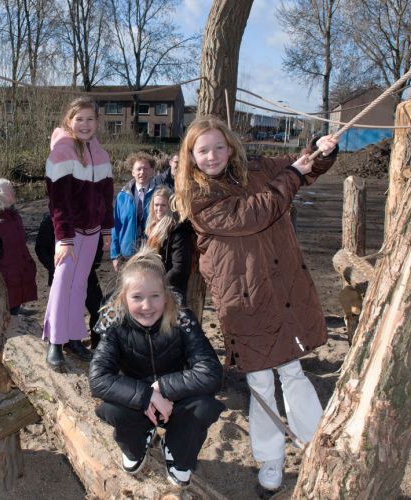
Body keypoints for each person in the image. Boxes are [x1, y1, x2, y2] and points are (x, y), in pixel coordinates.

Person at [175, 115, 338, 492]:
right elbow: (254, 214)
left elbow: (303, 168)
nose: (212, 156)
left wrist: (320, 152)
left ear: (230, 146)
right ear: (191, 156)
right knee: (260, 381)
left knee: (292, 370)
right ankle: (271, 460)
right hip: (242, 298)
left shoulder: (258, 168)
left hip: (278, 285)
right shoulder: (198, 197)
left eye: (219, 147)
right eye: (203, 150)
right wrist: (294, 175)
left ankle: (313, 443)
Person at [89, 249, 224, 488]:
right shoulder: (116, 325)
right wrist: (147, 395)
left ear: (166, 296)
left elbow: (211, 371)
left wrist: (163, 387)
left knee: (203, 405)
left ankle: (176, 449)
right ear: (124, 299)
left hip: (177, 401)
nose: (147, 305)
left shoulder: (182, 319)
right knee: (112, 409)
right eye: (137, 297)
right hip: (137, 402)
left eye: (154, 296)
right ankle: (138, 439)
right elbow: (98, 379)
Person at [43, 96, 114, 368]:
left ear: (97, 122)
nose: (85, 124)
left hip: (93, 230)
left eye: (90, 119)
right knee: (62, 282)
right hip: (70, 232)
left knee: (80, 285)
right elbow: (57, 202)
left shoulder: (102, 155)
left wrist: (107, 229)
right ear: (69, 121)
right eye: (79, 119)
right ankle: (55, 341)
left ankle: (73, 337)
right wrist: (63, 238)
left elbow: (107, 197)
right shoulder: (62, 152)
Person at [36, 213, 104, 348]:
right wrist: (56, 269)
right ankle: (64, 344)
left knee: (98, 309)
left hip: (88, 274)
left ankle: (97, 345)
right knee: (64, 310)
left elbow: (98, 241)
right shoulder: (50, 219)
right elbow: (40, 248)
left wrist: (94, 262)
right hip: (62, 273)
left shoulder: (89, 215)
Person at [0, 178, 37, 315]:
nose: (14, 190)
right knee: (7, 317)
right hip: (4, 283)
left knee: (14, 314)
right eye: (10, 189)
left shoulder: (14, 218)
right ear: (0, 194)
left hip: (19, 278)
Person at [143, 186, 192, 299]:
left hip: (170, 290)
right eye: (156, 205)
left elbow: (179, 268)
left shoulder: (178, 230)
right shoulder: (151, 228)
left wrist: (159, 284)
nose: (159, 208)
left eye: (163, 205)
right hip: (153, 287)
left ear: (170, 207)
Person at [111, 152, 155, 272]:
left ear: (151, 171)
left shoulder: (159, 194)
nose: (142, 172)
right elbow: (115, 227)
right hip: (127, 254)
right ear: (133, 172)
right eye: (138, 169)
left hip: (151, 253)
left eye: (145, 169)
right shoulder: (122, 196)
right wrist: (115, 255)